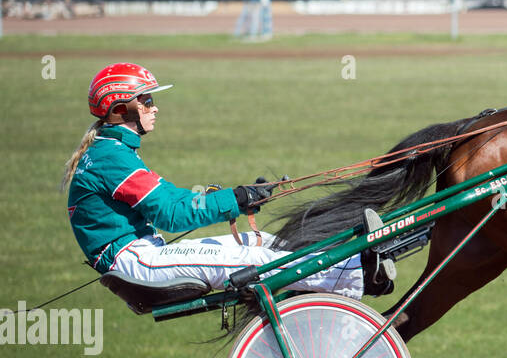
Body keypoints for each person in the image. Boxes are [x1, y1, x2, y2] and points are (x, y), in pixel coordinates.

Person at [63, 62, 394, 310]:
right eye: (145, 100)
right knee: (259, 260)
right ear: (121, 109)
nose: (154, 107)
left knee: (259, 240)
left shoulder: (113, 151)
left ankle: (340, 269)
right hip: (138, 263)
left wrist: (236, 198)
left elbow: (171, 198)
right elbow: (171, 213)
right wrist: (235, 198)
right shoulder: (111, 157)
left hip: (145, 255)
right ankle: (359, 273)